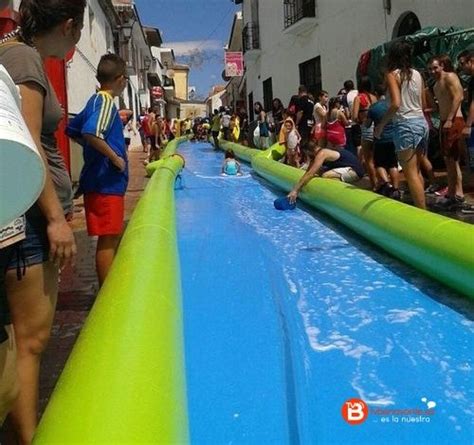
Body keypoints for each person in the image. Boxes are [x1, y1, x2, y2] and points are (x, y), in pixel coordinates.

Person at [0, 0, 84, 441]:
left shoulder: (11, 52)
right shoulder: (24, 59)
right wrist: (55, 218)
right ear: (70, 25)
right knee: (30, 344)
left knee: (17, 342)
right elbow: (30, 140)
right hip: (30, 221)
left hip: (22, 215)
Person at [66, 54, 128, 288]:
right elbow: (91, 132)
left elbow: (74, 129)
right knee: (108, 240)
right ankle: (107, 295)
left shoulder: (93, 101)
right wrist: (114, 157)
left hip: (99, 183)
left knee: (108, 237)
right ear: (121, 80)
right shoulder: (105, 103)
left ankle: (108, 287)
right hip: (106, 184)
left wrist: (93, 151)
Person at [374, 41, 429, 209]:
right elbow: (422, 102)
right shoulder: (417, 74)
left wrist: (381, 125)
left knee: (410, 173)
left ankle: (423, 214)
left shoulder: (393, 75)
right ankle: (423, 207)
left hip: (405, 125)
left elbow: (396, 103)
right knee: (416, 171)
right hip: (421, 123)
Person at [428, 55, 467, 211]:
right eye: (430, 69)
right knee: (449, 159)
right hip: (445, 122)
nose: (432, 71)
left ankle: (457, 194)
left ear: (442, 66)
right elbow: (438, 106)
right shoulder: (436, 85)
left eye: (435, 67)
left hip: (454, 120)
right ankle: (453, 193)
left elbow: (459, 96)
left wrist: (450, 118)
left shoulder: (450, 77)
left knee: (452, 158)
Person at [287, 141, 364, 203]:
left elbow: (311, 173)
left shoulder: (322, 154)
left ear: (308, 151)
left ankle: (342, 195)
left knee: (326, 175)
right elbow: (308, 171)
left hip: (355, 171)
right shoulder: (318, 153)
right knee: (320, 172)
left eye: (305, 153)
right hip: (349, 168)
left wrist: (295, 190)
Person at [367, 85, 401, 199]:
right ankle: (396, 189)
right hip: (392, 138)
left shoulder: (373, 108)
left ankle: (386, 184)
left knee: (379, 164)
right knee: (393, 164)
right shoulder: (391, 105)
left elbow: (367, 124)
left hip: (380, 139)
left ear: (376, 93)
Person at [352, 76, 378, 190]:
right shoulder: (374, 97)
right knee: (377, 158)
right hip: (377, 127)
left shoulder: (359, 98)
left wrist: (359, 120)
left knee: (368, 159)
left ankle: (374, 184)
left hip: (366, 128)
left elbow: (354, 116)